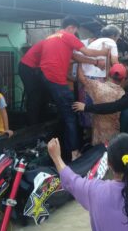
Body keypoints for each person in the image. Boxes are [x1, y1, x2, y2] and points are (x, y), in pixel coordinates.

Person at [38, 16, 109, 162]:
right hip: (56, 79)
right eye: (76, 29)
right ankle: (74, 153)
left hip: (43, 76)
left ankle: (61, 146)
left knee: (63, 113)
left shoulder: (52, 37)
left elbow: (77, 57)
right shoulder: (68, 36)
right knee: (71, 115)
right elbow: (87, 52)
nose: (76, 32)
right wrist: (104, 51)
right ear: (71, 27)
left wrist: (95, 63)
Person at [77, 63, 126, 145]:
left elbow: (82, 78)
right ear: (123, 79)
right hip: (114, 138)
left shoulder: (98, 87)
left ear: (109, 75)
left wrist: (80, 61)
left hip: (98, 137)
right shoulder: (123, 95)